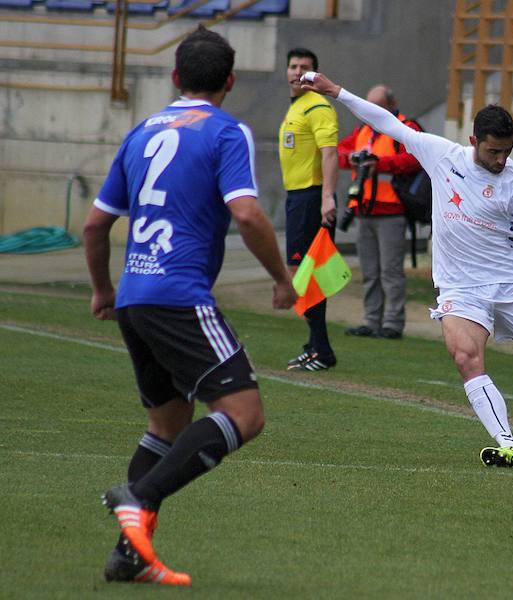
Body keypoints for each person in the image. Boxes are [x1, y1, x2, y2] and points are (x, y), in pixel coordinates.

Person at [82, 27, 297, 585]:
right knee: (245, 415)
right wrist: (282, 278)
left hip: (135, 296)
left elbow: (95, 223)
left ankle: (128, 557)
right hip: (179, 296)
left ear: (175, 77)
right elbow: (248, 214)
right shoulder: (227, 131)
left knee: (167, 424)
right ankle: (139, 497)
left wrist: (103, 289)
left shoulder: (140, 132)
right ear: (229, 81)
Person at [299, 71, 513, 468]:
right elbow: (387, 122)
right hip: (460, 288)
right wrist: (337, 92)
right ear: (473, 143)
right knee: (466, 356)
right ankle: (508, 444)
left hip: (512, 286)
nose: (502, 160)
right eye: (493, 152)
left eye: (507, 151)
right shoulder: (442, 155)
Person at [338, 84, 423, 340]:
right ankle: (371, 320)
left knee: (391, 273)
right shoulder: (364, 130)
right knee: (370, 272)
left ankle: (392, 324)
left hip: (393, 212)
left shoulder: (406, 127)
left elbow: (416, 157)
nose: (371, 110)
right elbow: (339, 153)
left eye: (377, 106)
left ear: (391, 104)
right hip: (365, 211)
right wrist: (354, 157)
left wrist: (381, 164)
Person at [280, 47, 339, 371]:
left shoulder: (317, 106)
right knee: (302, 273)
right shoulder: (299, 106)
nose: (297, 71)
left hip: (311, 197)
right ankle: (316, 346)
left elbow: (329, 153)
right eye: (293, 66)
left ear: (314, 74)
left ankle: (322, 350)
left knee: (307, 274)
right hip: (298, 197)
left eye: (304, 67)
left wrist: (328, 198)